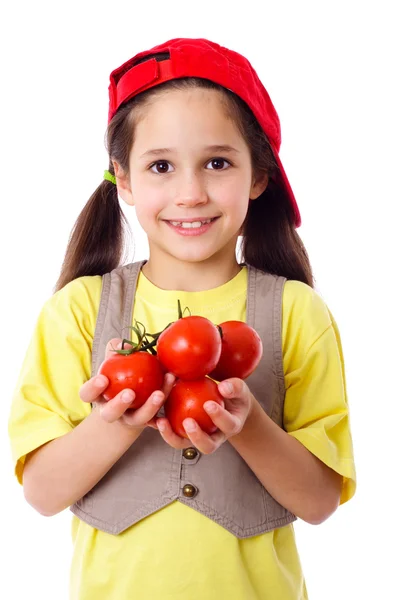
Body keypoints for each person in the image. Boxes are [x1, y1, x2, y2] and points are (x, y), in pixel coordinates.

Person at [8, 38, 356, 599]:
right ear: (123, 179)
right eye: (161, 166)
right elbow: (43, 493)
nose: (190, 193)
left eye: (217, 163)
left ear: (259, 176)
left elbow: (319, 502)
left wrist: (250, 426)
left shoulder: (295, 312)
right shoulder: (77, 310)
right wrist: (115, 422)